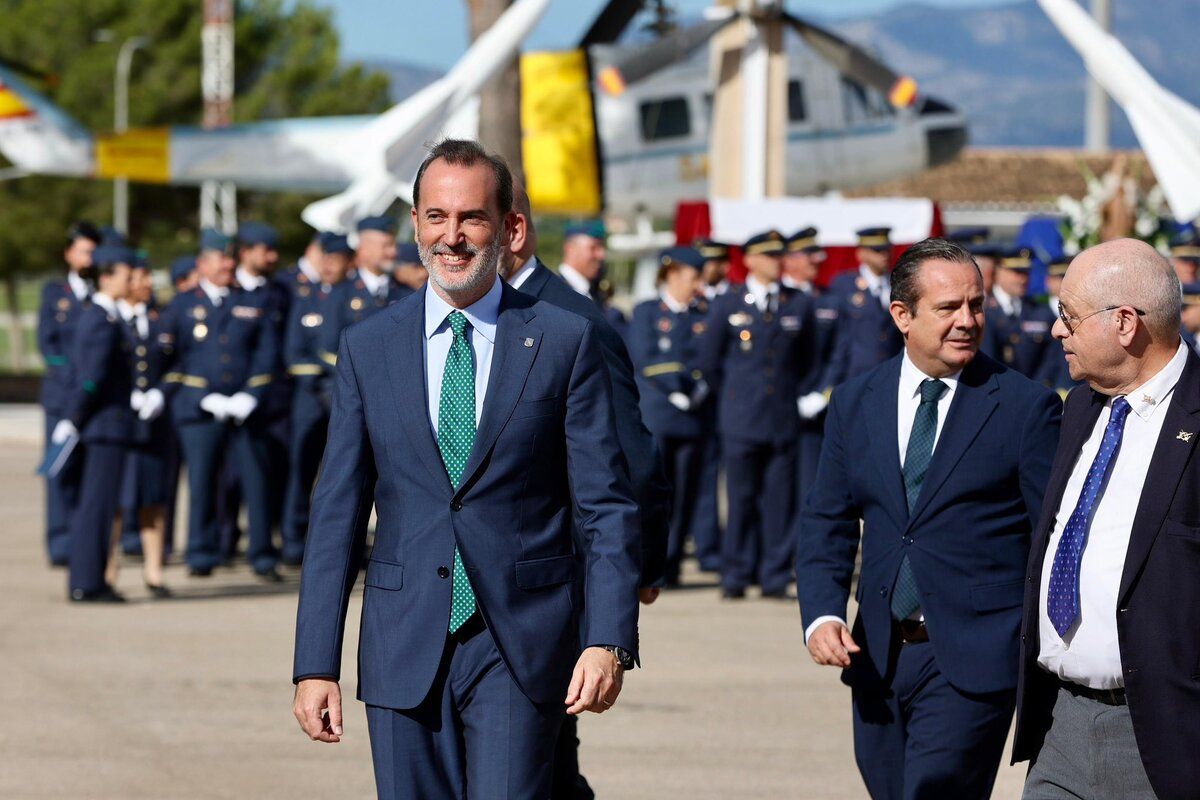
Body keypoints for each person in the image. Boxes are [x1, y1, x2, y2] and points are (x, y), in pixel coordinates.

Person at [292, 139, 641, 799]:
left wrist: (608, 637)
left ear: (509, 228)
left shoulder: (564, 342)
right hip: (401, 640)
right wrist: (315, 664)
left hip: (519, 642)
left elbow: (606, 505)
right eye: (435, 217)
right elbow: (337, 514)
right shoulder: (369, 348)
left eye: (471, 218)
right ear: (417, 225)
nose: (451, 237)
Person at [798, 238, 1061, 799]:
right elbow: (828, 519)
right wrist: (821, 614)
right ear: (902, 315)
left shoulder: (1023, 407)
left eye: (976, 305)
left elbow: (1052, 538)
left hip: (974, 657)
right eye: (948, 308)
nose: (967, 321)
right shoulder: (855, 402)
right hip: (877, 657)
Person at [1014, 239, 1200, 800]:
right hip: (1059, 727)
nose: (1055, 331)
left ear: (1124, 323)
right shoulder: (1081, 407)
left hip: (1162, 741)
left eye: (1068, 316)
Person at [502, 178, 669, 800]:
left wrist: (642, 563)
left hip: (555, 575)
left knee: (541, 757)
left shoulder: (572, 322)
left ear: (513, 231)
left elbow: (633, 456)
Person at [696, 229, 817, 600]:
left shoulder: (797, 304)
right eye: (767, 256)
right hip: (741, 418)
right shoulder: (729, 304)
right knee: (741, 498)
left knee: (779, 500)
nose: (775, 262)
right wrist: (735, 397)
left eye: (779, 256)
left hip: (781, 417)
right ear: (748, 260)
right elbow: (710, 363)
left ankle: (775, 575)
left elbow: (809, 360)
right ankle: (735, 574)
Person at [159, 228, 280, 580]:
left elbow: (266, 353)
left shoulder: (251, 301)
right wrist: (201, 395)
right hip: (199, 410)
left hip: (246, 409)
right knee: (202, 481)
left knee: (256, 483)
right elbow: (172, 358)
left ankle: (261, 554)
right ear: (202, 263)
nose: (228, 264)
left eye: (230, 258)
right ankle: (201, 552)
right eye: (220, 258)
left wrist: (251, 395)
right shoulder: (182, 305)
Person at [59, 244, 139, 602]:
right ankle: (86, 582)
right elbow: (91, 377)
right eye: (125, 276)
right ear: (106, 278)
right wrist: (74, 417)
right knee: (96, 505)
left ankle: (91, 578)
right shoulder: (102, 319)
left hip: (107, 424)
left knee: (98, 505)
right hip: (104, 426)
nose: (130, 282)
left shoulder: (107, 316)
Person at [628, 247, 708, 587]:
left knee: (686, 492)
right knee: (654, 493)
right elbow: (644, 358)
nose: (697, 286)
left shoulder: (702, 314)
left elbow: (709, 358)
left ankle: (673, 564)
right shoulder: (647, 312)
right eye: (692, 278)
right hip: (659, 414)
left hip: (692, 417)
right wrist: (678, 386)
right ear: (673, 275)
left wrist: (700, 386)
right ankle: (651, 565)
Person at [280, 232, 353, 564]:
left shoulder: (354, 299)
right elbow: (294, 352)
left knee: (342, 472)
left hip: (344, 395)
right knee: (300, 469)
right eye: (325, 258)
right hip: (309, 396)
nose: (328, 266)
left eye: (335, 260)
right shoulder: (307, 298)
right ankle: (294, 541)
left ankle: (340, 546)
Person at [37, 221, 101, 566]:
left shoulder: (101, 294)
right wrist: (73, 378)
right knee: (59, 471)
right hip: (61, 396)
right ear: (69, 253)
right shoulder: (54, 292)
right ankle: (60, 543)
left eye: (93, 251)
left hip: (93, 400)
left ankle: (83, 540)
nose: (89, 257)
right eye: (83, 250)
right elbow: (48, 344)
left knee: (88, 473)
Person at [115, 257, 172, 597]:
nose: (147, 283)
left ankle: (154, 572)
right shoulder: (111, 319)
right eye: (140, 277)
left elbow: (175, 363)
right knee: (116, 502)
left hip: (153, 425)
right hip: (121, 423)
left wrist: (160, 394)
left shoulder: (160, 320)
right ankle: (108, 571)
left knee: (153, 499)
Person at [818, 226, 904, 393]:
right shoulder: (844, 285)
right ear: (861, 253)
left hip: (891, 375)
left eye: (886, 250)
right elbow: (836, 338)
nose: (884, 255)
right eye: (877, 251)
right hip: (854, 376)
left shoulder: (898, 284)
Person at [689, 240, 731, 570]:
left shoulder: (733, 299)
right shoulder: (695, 301)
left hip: (731, 401)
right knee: (702, 478)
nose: (710, 269)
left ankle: (723, 546)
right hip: (698, 403)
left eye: (715, 263)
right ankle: (705, 546)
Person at [981, 246, 1056, 380]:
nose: (1022, 279)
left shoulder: (1041, 312)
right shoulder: (984, 309)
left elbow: (1052, 359)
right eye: (1016, 272)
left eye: (1026, 273)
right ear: (998, 271)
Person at [1039, 255, 1078, 396]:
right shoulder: (1035, 313)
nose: (1063, 283)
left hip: (1076, 389)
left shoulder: (1083, 313)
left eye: (1066, 277)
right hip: (1043, 389)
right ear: (1048, 280)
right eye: (1059, 278)